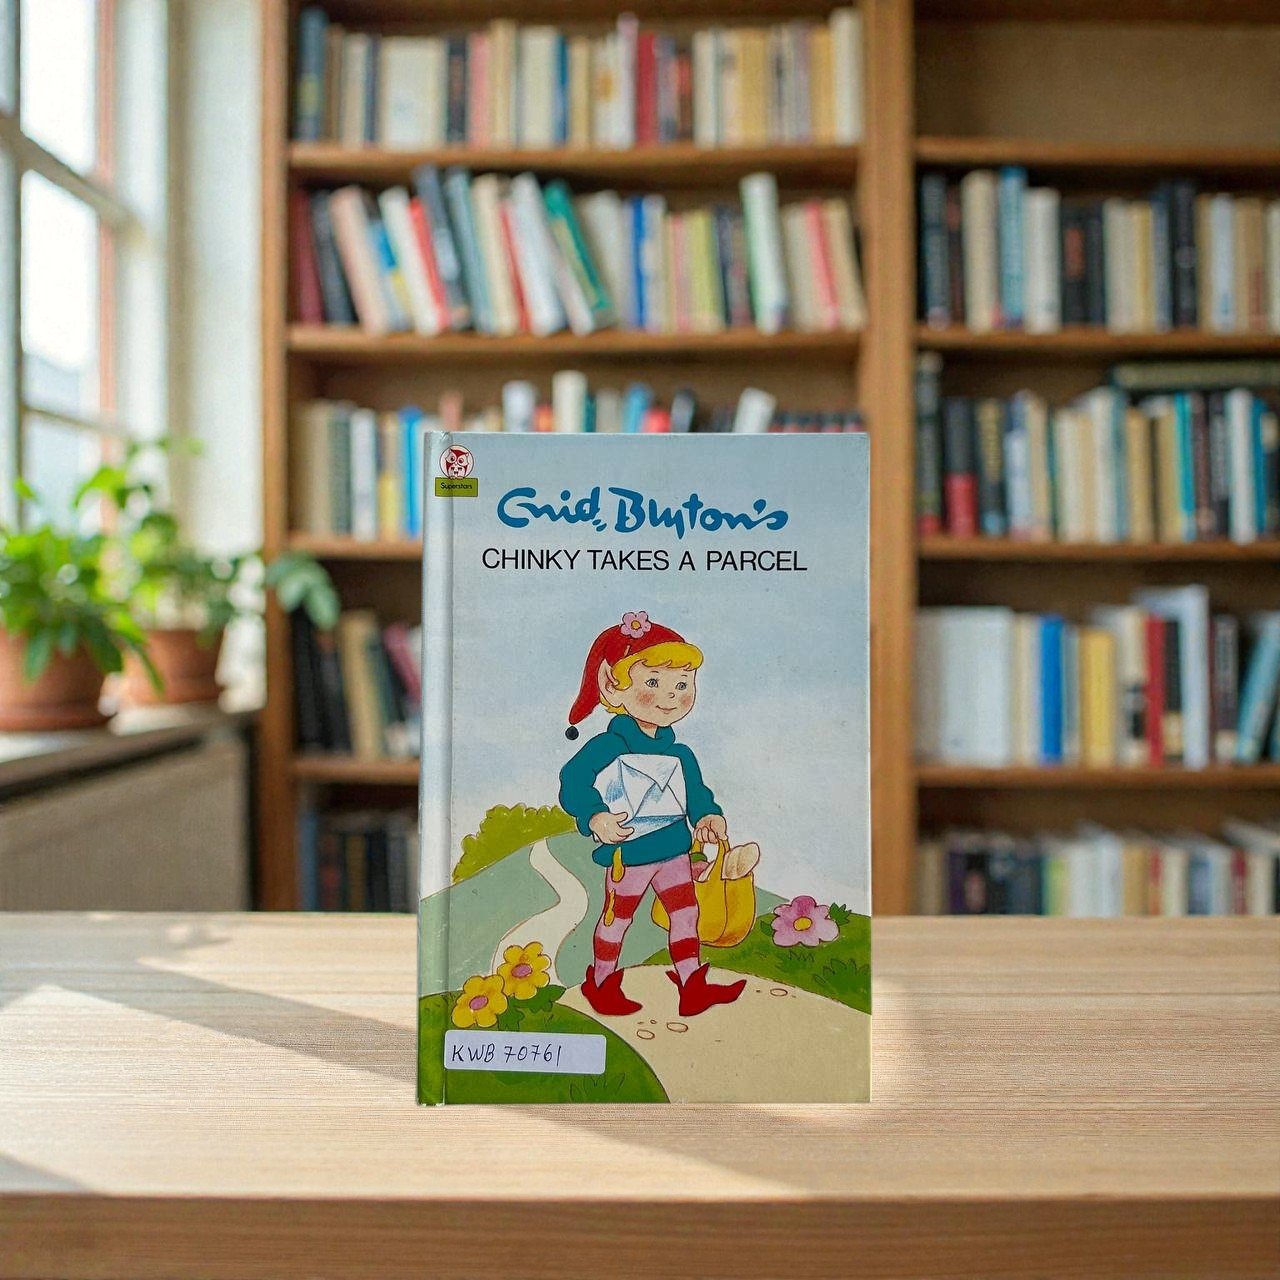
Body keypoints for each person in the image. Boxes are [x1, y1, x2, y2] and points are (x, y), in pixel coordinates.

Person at [559, 611, 746, 1018]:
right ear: (613, 686)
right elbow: (573, 780)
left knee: (686, 915)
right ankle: (601, 984)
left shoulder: (681, 753)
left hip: (675, 852)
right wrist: (595, 817)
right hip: (629, 855)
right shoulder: (609, 746)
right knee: (618, 920)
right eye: (653, 682)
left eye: (682, 684)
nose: (670, 696)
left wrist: (708, 817)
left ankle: (692, 985)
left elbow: (697, 795)